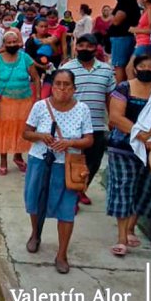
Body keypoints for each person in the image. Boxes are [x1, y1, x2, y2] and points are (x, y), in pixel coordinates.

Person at [22, 69, 94, 274]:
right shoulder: (40, 106)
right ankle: (36, 234)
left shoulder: (82, 109)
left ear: (74, 88)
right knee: (35, 201)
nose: (62, 89)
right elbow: (25, 133)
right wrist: (41, 136)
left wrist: (70, 142)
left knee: (67, 209)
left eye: (66, 85)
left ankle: (62, 253)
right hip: (40, 161)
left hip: (68, 166)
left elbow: (89, 139)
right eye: (58, 84)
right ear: (51, 86)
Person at [107, 54, 151, 257]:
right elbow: (115, 117)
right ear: (135, 68)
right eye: (142, 66)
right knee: (124, 188)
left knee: (145, 189)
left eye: (150, 66)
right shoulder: (124, 89)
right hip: (123, 146)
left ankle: (131, 228)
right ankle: (121, 238)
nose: (146, 69)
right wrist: (141, 135)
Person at [63, 34, 116, 208]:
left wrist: (113, 118)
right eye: (81, 45)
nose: (85, 49)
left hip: (97, 124)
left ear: (96, 48)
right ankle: (72, 195)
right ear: (76, 47)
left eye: (89, 46)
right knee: (73, 161)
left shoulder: (107, 70)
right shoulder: (67, 69)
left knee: (93, 162)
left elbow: (110, 96)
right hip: (72, 126)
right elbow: (60, 96)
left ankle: (81, 189)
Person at [0, 31, 41, 175]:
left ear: (18, 43)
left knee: (22, 130)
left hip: (24, 102)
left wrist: (38, 98)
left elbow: (35, 78)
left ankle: (18, 157)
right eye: (8, 43)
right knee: (4, 130)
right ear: (4, 44)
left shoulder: (25, 58)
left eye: (14, 42)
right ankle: (3, 161)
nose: (11, 45)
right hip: (4, 102)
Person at [108, 0, 141, 83]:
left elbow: (116, 21)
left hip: (121, 37)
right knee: (125, 65)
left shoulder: (124, 5)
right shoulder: (132, 5)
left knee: (119, 65)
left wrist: (111, 13)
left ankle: (120, 88)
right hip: (125, 37)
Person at [25, 18, 60, 99]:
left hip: (49, 70)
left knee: (45, 94)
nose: (43, 29)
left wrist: (50, 43)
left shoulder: (51, 38)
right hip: (34, 71)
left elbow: (56, 53)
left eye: (45, 26)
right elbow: (28, 58)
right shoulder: (31, 41)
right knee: (34, 95)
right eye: (41, 26)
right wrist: (40, 66)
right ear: (36, 27)